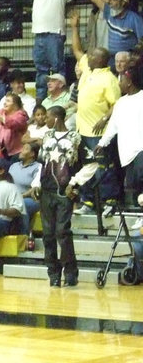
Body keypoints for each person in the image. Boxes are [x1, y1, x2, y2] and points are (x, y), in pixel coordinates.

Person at [68, 17, 123, 215]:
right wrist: (74, 27)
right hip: (83, 130)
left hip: (100, 132)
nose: (88, 57)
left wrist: (104, 118)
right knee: (87, 167)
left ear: (100, 60)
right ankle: (88, 201)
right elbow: (76, 50)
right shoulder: (88, 69)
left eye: (92, 56)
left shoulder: (109, 79)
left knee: (104, 166)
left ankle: (111, 201)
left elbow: (117, 105)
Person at [11, 0, 73, 101]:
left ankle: (61, 98)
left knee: (58, 69)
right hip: (39, 35)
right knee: (41, 69)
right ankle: (40, 100)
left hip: (54, 34)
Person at [31, 106, 84, 287]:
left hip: (64, 192)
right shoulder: (46, 137)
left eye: (48, 117)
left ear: (57, 118)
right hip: (46, 190)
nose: (45, 120)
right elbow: (42, 163)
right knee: (48, 234)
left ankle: (70, 272)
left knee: (62, 232)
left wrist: (74, 182)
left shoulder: (75, 138)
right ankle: (53, 273)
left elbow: (90, 164)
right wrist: (36, 183)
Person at [96, 65, 143, 226]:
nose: (118, 83)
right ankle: (140, 214)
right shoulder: (121, 102)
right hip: (126, 150)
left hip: (140, 149)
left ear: (129, 82)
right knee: (133, 185)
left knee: (140, 180)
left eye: (121, 80)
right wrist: (102, 143)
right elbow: (113, 126)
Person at [75, 0, 143, 70]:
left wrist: (134, 59)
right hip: (111, 59)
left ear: (123, 2)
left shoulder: (134, 19)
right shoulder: (109, 12)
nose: (110, 2)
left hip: (127, 62)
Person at [9, 142, 42, 251]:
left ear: (32, 154)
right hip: (11, 198)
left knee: (21, 205)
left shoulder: (38, 167)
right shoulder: (14, 166)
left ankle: (25, 237)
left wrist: (20, 196)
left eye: (25, 149)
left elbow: (35, 188)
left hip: (31, 199)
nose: (21, 151)